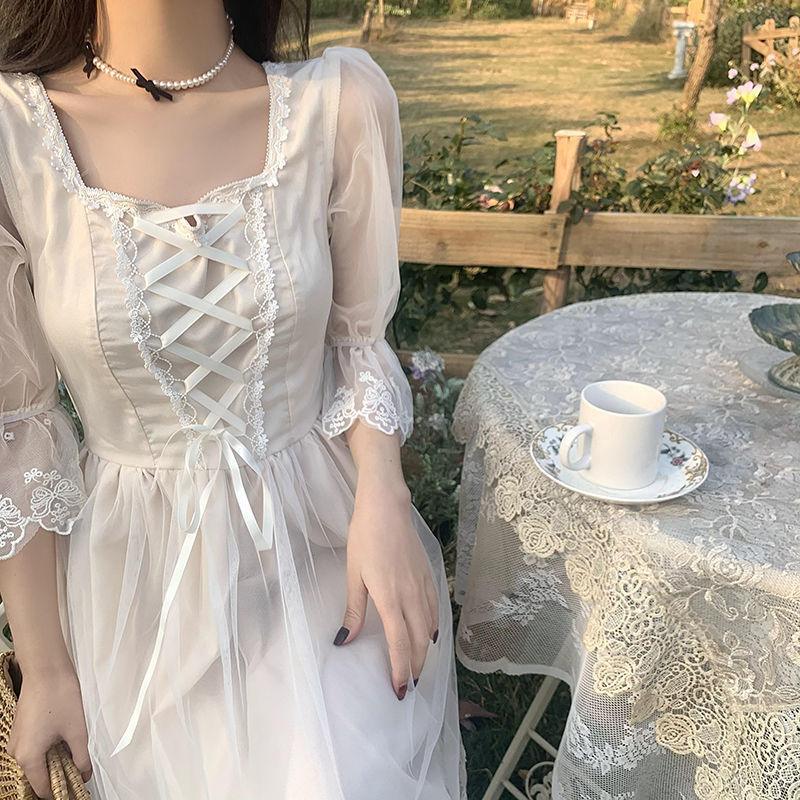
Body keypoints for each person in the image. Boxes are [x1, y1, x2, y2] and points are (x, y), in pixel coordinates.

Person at [0, 2, 463, 797]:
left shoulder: (338, 104)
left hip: (326, 546)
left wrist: (383, 501)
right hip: (135, 591)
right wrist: (44, 668)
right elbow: (18, 422)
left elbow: (356, 342)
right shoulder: (13, 133)